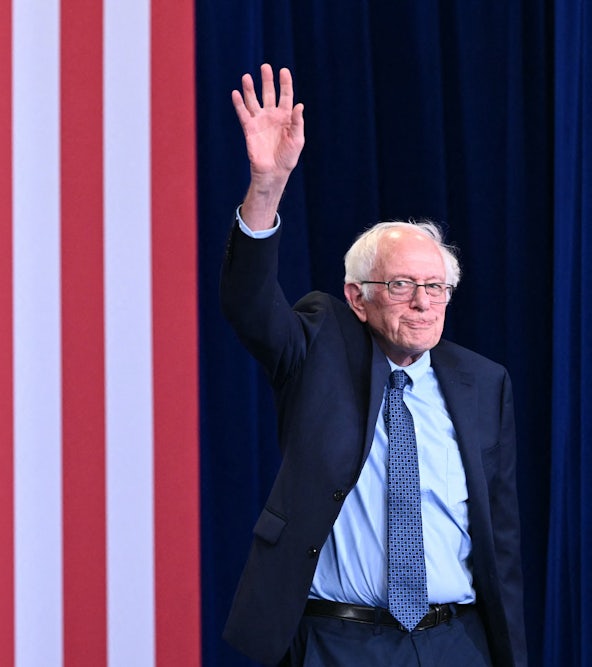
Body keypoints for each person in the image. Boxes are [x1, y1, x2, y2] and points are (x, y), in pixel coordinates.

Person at [219, 64, 526, 666]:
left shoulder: (484, 383)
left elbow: (502, 541)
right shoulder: (320, 348)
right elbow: (249, 306)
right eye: (403, 284)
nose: (422, 302)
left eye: (437, 287)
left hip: (456, 642)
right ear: (357, 297)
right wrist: (267, 185)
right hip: (341, 642)